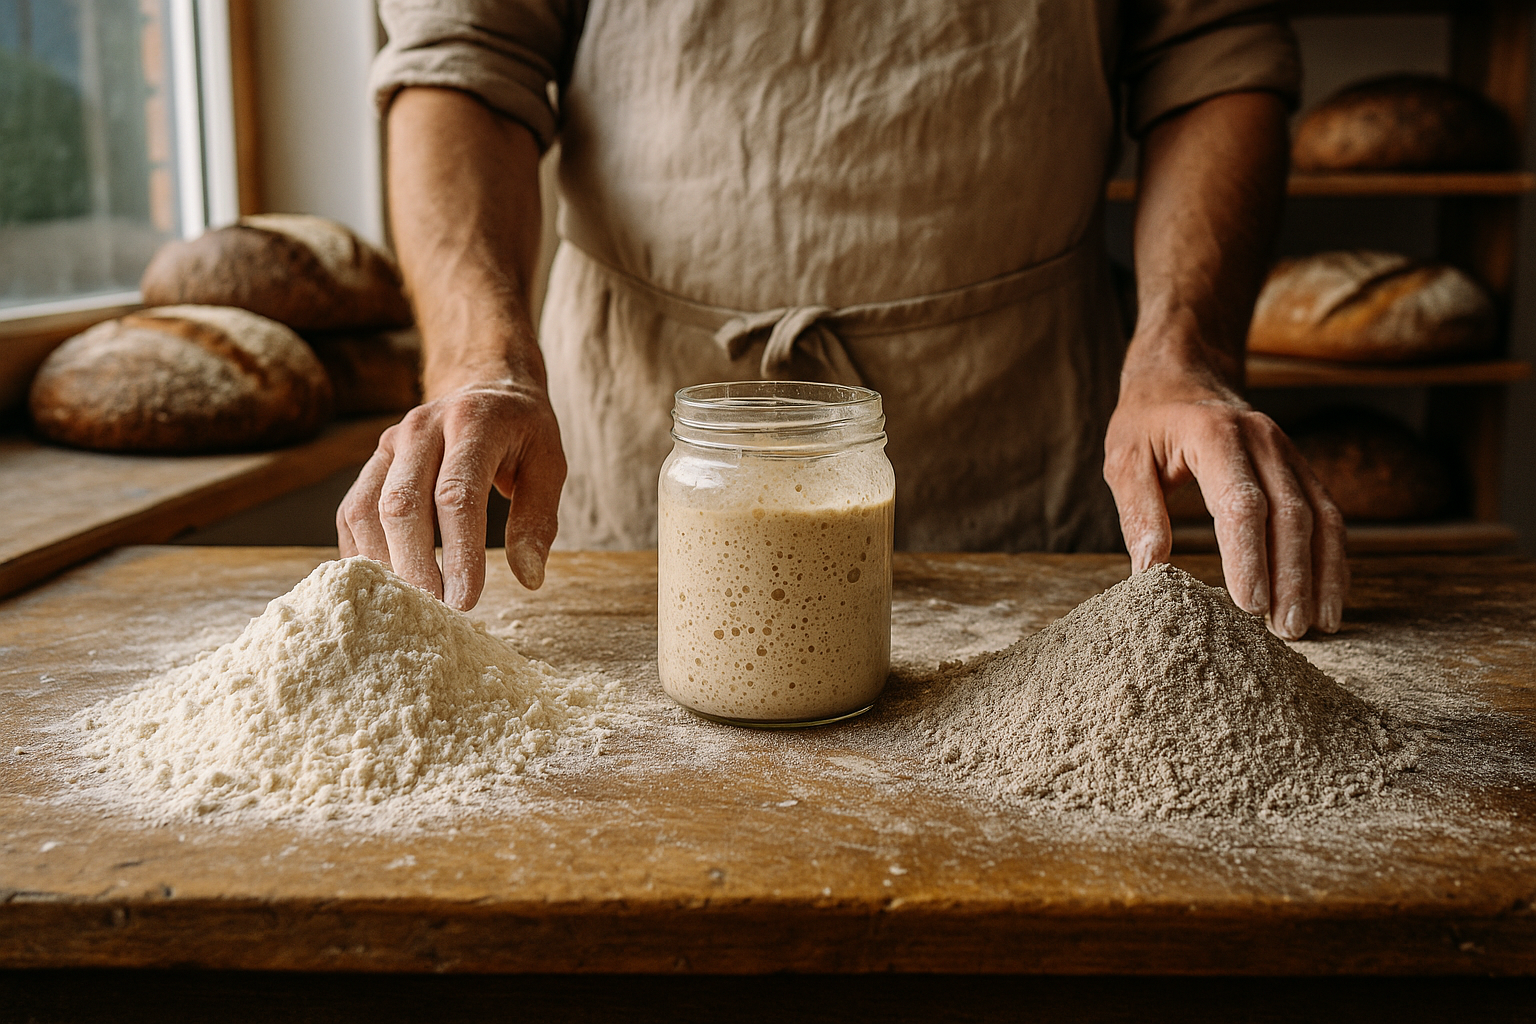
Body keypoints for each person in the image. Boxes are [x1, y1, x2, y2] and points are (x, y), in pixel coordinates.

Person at [340, 0, 1346, 641]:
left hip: (1020, 443)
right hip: (648, 442)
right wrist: (485, 359)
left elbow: (1211, 51)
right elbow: (464, 54)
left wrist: (1183, 356)